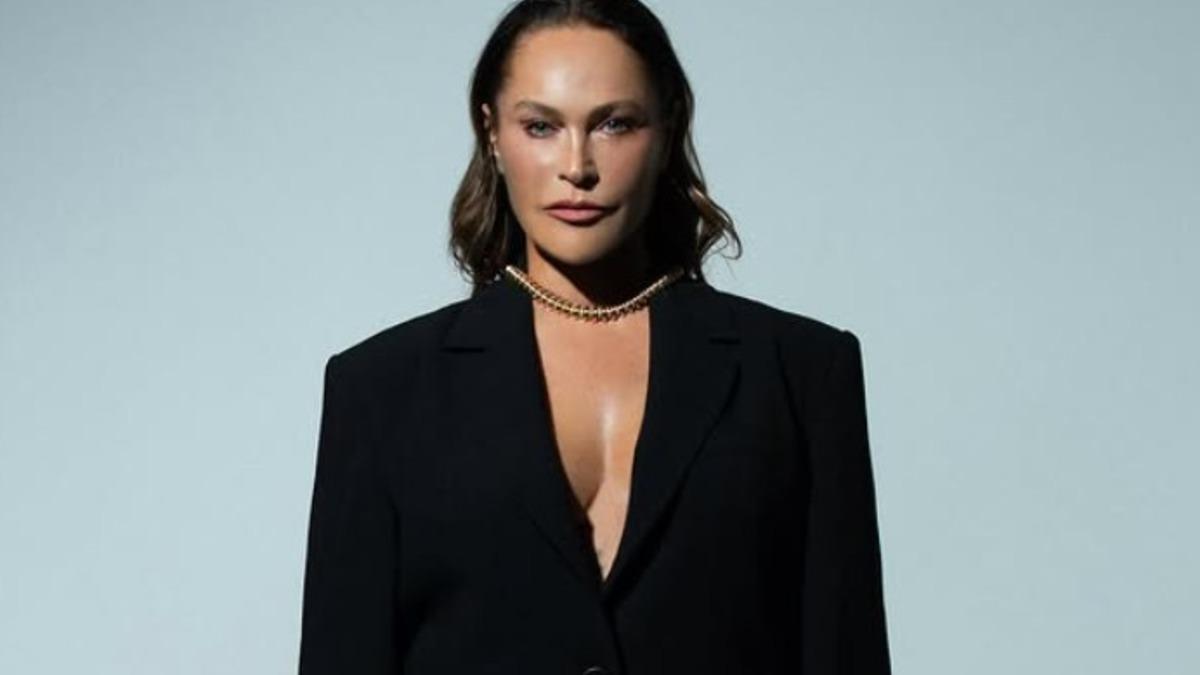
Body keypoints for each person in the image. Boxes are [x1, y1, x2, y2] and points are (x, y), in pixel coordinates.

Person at [297, 1, 892, 673]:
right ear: (492, 134)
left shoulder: (803, 374)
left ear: (668, 129)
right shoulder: (380, 391)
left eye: (614, 124)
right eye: (540, 126)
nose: (577, 166)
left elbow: (847, 652)